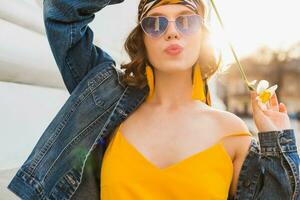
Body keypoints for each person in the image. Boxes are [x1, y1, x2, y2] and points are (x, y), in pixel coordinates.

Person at [8, 0, 300, 200]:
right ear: (142, 40)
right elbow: (62, 12)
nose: (171, 31)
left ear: (204, 36)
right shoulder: (106, 102)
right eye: (156, 23)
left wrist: (278, 140)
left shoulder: (232, 132)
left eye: (186, 21)